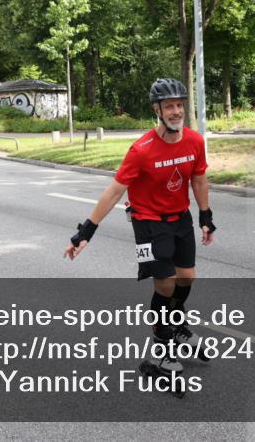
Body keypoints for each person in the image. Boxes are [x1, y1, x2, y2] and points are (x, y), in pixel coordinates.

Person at [63, 78, 215, 377]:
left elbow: (198, 179)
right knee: (166, 283)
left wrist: (205, 216)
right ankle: (161, 349)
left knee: (186, 279)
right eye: (169, 106)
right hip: (148, 222)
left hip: (180, 218)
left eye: (179, 105)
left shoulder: (194, 142)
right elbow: (114, 192)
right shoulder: (142, 150)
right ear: (157, 109)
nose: (176, 111)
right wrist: (86, 233)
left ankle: (176, 323)